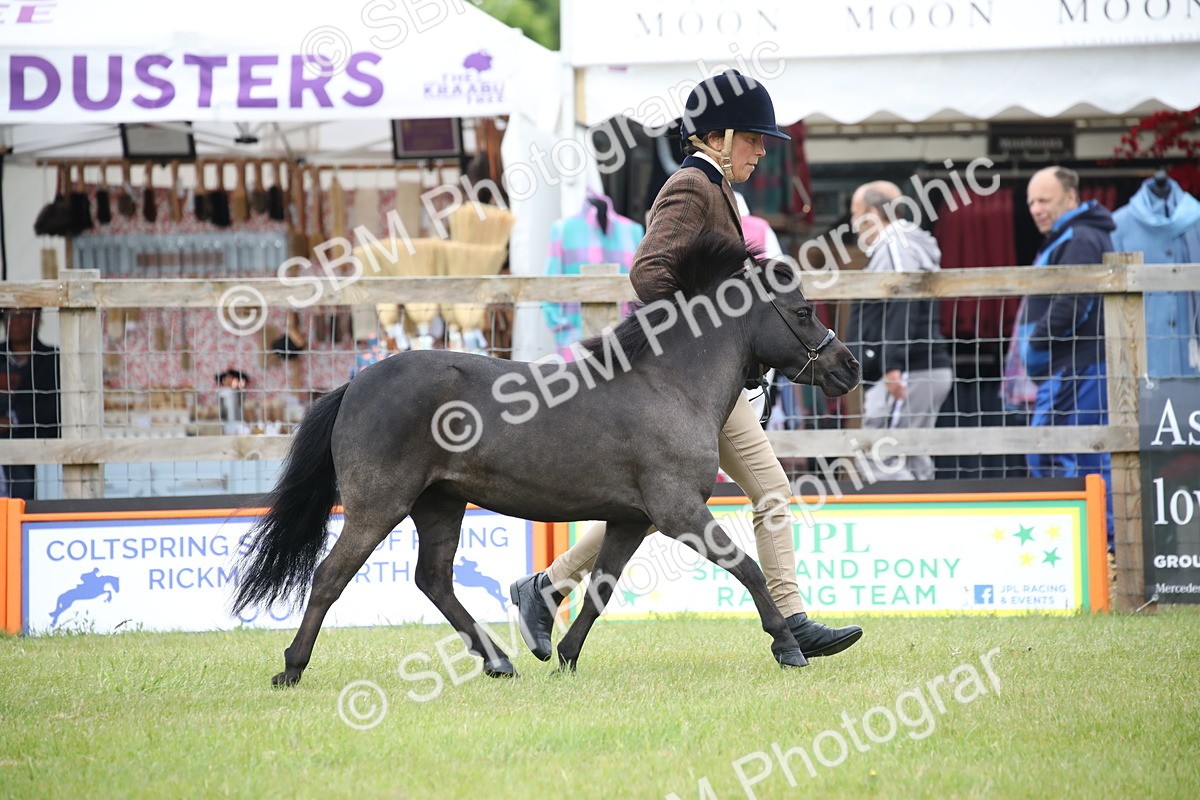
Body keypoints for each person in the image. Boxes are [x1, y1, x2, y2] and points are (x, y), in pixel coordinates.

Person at [510, 70, 863, 664]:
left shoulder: (721, 188)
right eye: (753, 139)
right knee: (731, 494)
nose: (760, 151)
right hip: (686, 382)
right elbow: (649, 271)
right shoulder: (692, 186)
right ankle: (789, 619)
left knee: (668, 504)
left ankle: (546, 588)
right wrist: (704, 340)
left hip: (710, 384)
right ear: (719, 136)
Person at [1013, 166, 1115, 541]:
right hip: (1068, 366)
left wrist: (1036, 343)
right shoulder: (1070, 235)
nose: (1037, 209)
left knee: (1068, 452)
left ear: (1070, 197)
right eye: (1031, 202)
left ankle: (1100, 546)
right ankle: (1087, 543)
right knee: (1066, 452)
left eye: (1044, 200)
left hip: (1078, 365)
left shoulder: (1082, 236)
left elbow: (1074, 302)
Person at [848, 182, 953, 481]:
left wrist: (892, 365)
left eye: (856, 214)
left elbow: (902, 296)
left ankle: (902, 524)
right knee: (911, 454)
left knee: (880, 456)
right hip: (916, 366)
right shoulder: (905, 244)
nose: (853, 224)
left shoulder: (895, 245)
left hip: (908, 369)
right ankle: (930, 518)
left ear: (871, 213)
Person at [1, 308, 61, 500]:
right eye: (8, 315)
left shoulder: (52, 358)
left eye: (22, 315)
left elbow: (55, 406)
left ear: (37, 320)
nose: (15, 322)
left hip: (38, 450)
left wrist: (13, 420)